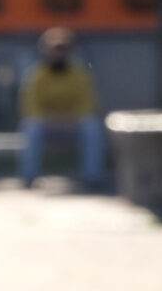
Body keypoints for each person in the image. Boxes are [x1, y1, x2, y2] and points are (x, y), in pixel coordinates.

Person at [18, 28, 104, 188]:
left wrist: (72, 119)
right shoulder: (37, 75)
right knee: (31, 128)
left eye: (62, 49)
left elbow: (88, 103)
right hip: (47, 125)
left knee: (92, 128)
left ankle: (92, 176)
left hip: (73, 123)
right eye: (54, 50)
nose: (58, 54)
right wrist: (49, 120)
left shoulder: (80, 74)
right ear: (46, 52)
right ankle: (29, 176)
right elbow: (30, 105)